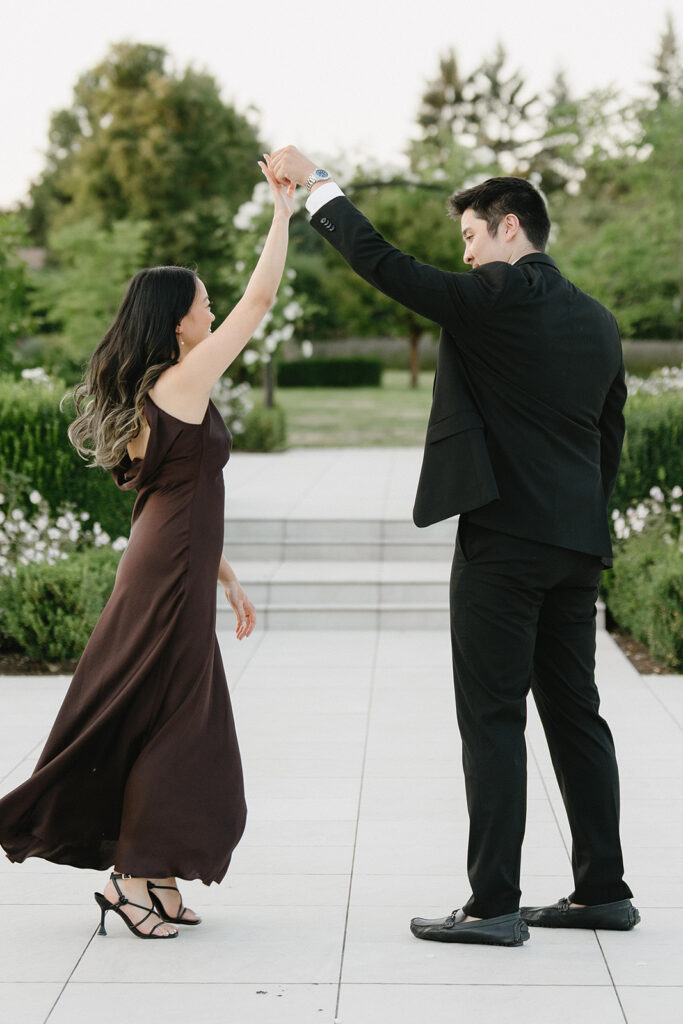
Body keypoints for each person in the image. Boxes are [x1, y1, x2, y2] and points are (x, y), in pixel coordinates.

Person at [269, 146, 639, 947]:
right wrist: (577, 521)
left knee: (493, 719)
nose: (464, 255)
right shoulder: (597, 320)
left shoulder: (496, 295)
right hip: (575, 545)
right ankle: (602, 891)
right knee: (577, 716)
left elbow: (384, 266)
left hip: (503, 542)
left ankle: (493, 905)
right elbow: (607, 440)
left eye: (471, 236)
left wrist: (317, 188)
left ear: (511, 229)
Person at [0, 155, 295, 939]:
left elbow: (179, 496)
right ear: (179, 320)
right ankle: (133, 880)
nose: (213, 309)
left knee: (165, 716)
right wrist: (282, 211)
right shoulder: (183, 379)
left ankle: (150, 873)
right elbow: (261, 298)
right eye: (203, 302)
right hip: (166, 572)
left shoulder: (161, 388)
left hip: (171, 561)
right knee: (174, 722)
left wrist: (226, 577)